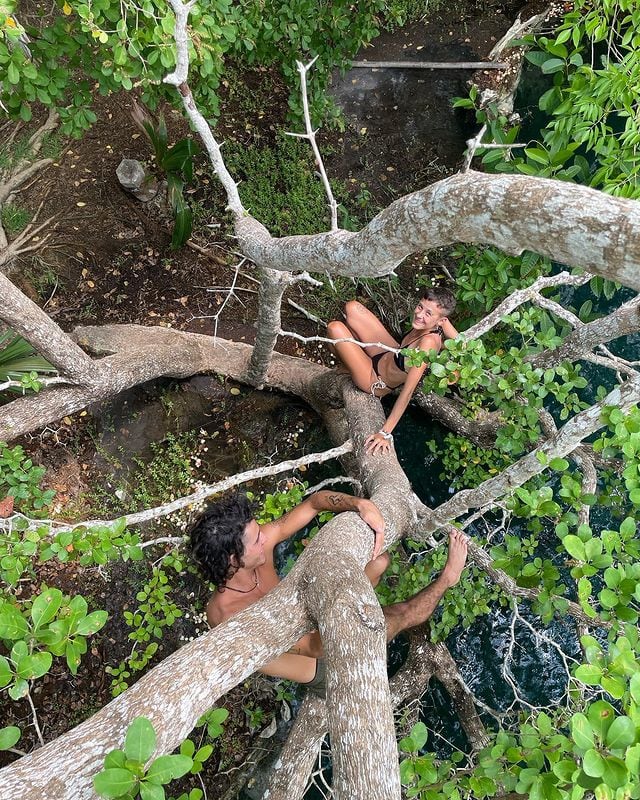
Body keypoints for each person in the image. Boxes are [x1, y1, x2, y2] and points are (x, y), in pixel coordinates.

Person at [189, 489, 468, 696]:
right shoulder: (232, 615)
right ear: (232, 560)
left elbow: (313, 503)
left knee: (379, 561)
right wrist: (345, 605)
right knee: (397, 616)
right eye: (256, 540)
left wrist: (360, 504)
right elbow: (315, 646)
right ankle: (447, 579)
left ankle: (366, 594)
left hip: (305, 618)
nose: (265, 535)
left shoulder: (255, 552)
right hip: (322, 666)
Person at [327, 288, 458, 455]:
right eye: (420, 307)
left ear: (440, 320)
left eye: (428, 313)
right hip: (390, 352)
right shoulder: (441, 322)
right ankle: (350, 359)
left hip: (375, 378)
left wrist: (385, 433)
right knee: (352, 307)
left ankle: (348, 366)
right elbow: (466, 347)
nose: (419, 315)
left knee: (335, 328)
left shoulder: (428, 344)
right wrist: (458, 370)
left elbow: (408, 391)